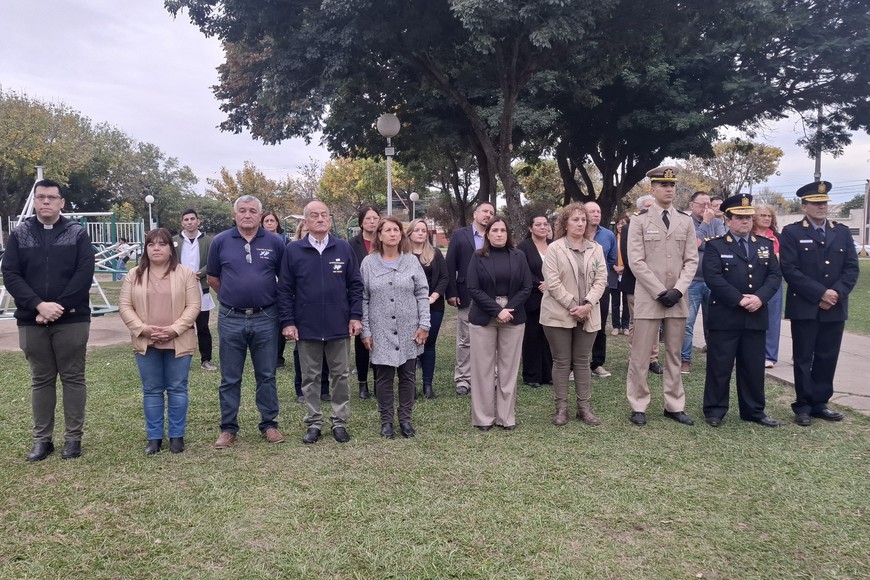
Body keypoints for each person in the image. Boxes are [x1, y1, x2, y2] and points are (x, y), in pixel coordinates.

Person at [2, 179, 95, 461]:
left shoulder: (77, 233)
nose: (45, 202)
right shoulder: (20, 235)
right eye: (40, 197)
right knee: (40, 379)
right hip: (32, 320)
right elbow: (11, 274)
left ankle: (73, 439)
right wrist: (38, 305)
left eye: (51, 198)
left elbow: (83, 274)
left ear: (61, 202)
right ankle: (43, 440)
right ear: (35, 201)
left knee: (73, 377)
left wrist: (59, 307)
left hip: (73, 319)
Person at [279, 200, 364, 445]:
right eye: (314, 215)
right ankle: (314, 422)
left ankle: (339, 422)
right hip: (307, 326)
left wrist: (355, 316)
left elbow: (355, 286)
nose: (319, 219)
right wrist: (288, 321)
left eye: (324, 215)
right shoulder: (293, 250)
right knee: (310, 377)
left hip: (339, 325)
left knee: (340, 376)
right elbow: (284, 290)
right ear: (305, 221)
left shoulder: (343, 248)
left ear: (329, 219)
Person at [207, 195, 286, 449]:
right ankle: (228, 428)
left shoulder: (275, 242)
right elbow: (213, 279)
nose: (247, 215)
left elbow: (283, 280)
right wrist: (234, 298)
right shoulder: (220, 241)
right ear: (235, 214)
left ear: (261, 215)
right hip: (231, 318)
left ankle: (269, 424)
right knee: (230, 377)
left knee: (266, 374)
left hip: (266, 317)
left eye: (253, 211)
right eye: (242, 210)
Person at [780, 181, 859, 426]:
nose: (822, 207)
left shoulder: (842, 231)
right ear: (804, 206)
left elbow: (851, 268)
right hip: (805, 306)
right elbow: (790, 270)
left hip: (835, 306)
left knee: (827, 356)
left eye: (824, 202)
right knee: (803, 357)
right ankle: (803, 405)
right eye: (815, 203)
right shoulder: (792, 233)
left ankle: (820, 403)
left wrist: (835, 293)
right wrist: (820, 294)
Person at [626, 166, 698, 426]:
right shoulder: (639, 220)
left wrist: (678, 289)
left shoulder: (685, 220)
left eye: (672, 185)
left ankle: (674, 404)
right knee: (641, 354)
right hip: (649, 297)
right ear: (652, 189)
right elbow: (636, 261)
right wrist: (659, 291)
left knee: (674, 354)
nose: (669, 189)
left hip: (677, 297)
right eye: (663, 185)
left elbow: (691, 260)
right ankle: (638, 404)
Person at [702, 194, 782, 427]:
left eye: (748, 217)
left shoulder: (765, 245)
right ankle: (715, 410)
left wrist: (759, 298)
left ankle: (754, 411)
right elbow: (713, 278)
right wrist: (739, 300)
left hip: (756, 314)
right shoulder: (715, 245)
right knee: (720, 366)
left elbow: (775, 276)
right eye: (739, 217)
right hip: (726, 315)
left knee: (753, 367)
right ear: (727, 219)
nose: (745, 222)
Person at [120, 228, 202, 453]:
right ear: (146, 249)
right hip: (147, 341)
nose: (156, 248)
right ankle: (154, 437)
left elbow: (194, 305)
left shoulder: (185, 273)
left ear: (170, 248)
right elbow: (125, 306)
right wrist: (144, 329)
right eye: (151, 244)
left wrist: (174, 330)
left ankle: (177, 436)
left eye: (162, 244)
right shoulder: (134, 274)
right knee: (152, 390)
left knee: (177, 388)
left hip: (179, 340)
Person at [361, 216, 430, 438]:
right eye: (387, 230)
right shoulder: (368, 263)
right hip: (380, 328)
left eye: (396, 230)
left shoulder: (411, 261)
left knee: (408, 375)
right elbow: (363, 298)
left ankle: (406, 420)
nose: (393, 234)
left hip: (409, 327)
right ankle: (386, 421)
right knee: (384, 377)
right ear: (379, 235)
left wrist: (424, 324)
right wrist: (366, 330)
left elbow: (422, 293)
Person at [540, 203, 608, 426]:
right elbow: (552, 282)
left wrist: (587, 304)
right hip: (558, 313)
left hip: (588, 312)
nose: (580, 224)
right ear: (565, 223)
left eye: (583, 220)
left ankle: (584, 408)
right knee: (561, 361)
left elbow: (601, 279)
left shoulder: (595, 248)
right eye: (575, 219)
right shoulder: (555, 249)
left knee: (581, 361)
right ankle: (562, 409)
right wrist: (573, 306)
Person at [466, 217, 532, 430]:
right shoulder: (478, 257)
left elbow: (526, 287)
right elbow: (473, 288)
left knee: (508, 370)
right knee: (482, 370)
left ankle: (506, 417)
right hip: (484, 317)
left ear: (508, 234)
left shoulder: (518, 256)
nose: (499, 234)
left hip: (513, 316)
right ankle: (483, 418)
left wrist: (507, 310)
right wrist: (497, 310)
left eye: (503, 230)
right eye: (495, 230)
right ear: (487, 234)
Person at [446, 202, 495, 395]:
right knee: (465, 339)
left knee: (490, 338)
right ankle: (463, 379)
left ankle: (488, 377)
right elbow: (450, 264)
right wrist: (451, 292)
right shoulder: (460, 235)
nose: (488, 215)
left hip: (491, 295)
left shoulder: (496, 235)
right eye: (485, 211)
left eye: (491, 212)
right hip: (465, 293)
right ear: (475, 214)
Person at [681, 191, 727, 374]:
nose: (706, 208)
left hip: (714, 280)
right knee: (687, 323)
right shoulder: (685, 222)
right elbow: (691, 245)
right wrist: (706, 227)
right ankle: (685, 359)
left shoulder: (718, 222)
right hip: (692, 280)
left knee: (715, 322)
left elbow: (722, 245)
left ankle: (716, 359)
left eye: (708, 204)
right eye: (702, 204)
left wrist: (704, 242)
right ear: (692, 205)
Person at [621, 195, 663, 375]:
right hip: (636, 283)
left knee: (655, 322)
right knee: (637, 322)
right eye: (647, 207)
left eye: (653, 206)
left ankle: (653, 359)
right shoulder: (629, 228)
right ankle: (637, 358)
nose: (650, 210)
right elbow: (630, 258)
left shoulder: (661, 227)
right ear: (639, 209)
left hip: (658, 285)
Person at [290, 220, 330, 404]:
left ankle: (323, 388)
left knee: (326, 352)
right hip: (302, 311)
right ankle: (301, 388)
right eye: (306, 231)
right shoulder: (293, 251)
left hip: (325, 311)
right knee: (302, 354)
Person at [407, 218, 448, 399]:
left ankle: (428, 385)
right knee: (411, 346)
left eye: (424, 230)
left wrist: (433, 296)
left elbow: (444, 278)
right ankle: (410, 386)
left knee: (429, 345)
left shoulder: (435, 253)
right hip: (408, 307)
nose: (421, 233)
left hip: (434, 306)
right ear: (409, 233)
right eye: (417, 230)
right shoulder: (402, 255)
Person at [174, 208, 217, 371]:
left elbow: (213, 261)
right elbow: (171, 261)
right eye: (186, 219)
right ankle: (181, 358)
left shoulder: (208, 241)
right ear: (182, 222)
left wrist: (201, 273)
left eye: (192, 219)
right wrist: (182, 274)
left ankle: (206, 359)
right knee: (182, 326)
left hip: (201, 288)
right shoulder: (175, 241)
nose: (189, 222)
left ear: (198, 221)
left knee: (203, 327)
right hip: (180, 289)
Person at [517, 213, 553, 388]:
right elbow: (520, 269)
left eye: (545, 224)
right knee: (532, 336)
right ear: (531, 228)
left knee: (549, 336)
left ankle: (548, 374)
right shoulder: (523, 247)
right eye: (538, 224)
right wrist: (538, 283)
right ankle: (532, 375)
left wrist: (550, 284)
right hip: (532, 297)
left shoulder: (554, 246)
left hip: (553, 297)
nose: (542, 227)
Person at [582, 201, 617, 378]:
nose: (596, 214)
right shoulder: (576, 232)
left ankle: (596, 363)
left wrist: (598, 274)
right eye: (592, 211)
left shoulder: (608, 235)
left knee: (600, 326)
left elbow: (611, 260)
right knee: (578, 325)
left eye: (598, 211)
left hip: (601, 287)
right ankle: (575, 364)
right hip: (579, 287)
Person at [349, 205, 380, 399]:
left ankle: (379, 382)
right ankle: (362, 384)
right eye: (368, 218)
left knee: (378, 343)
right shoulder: (352, 244)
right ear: (361, 222)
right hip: (359, 298)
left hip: (381, 299)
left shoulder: (384, 241)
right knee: (362, 342)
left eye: (375, 218)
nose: (372, 222)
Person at [752, 204, 783, 368]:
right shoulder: (749, 235)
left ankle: (770, 356)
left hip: (773, 283)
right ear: (755, 218)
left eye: (769, 216)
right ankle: (752, 353)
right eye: (762, 215)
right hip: (753, 283)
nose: (766, 218)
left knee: (773, 320)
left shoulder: (777, 237)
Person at [261, 210, 289, 369]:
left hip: (281, 288)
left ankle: (279, 357)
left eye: (272, 221)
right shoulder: (257, 242)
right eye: (266, 221)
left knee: (280, 323)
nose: (270, 223)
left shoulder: (285, 241)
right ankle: (266, 355)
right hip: (265, 289)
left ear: (277, 223)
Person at [610, 214, 631, 336]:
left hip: (627, 273)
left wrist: (624, 267)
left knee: (627, 302)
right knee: (615, 302)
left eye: (623, 223)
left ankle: (626, 326)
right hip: (614, 273)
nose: (620, 226)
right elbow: (609, 254)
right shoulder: (613, 238)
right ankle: (616, 326)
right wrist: (614, 266)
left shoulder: (631, 239)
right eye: (618, 223)